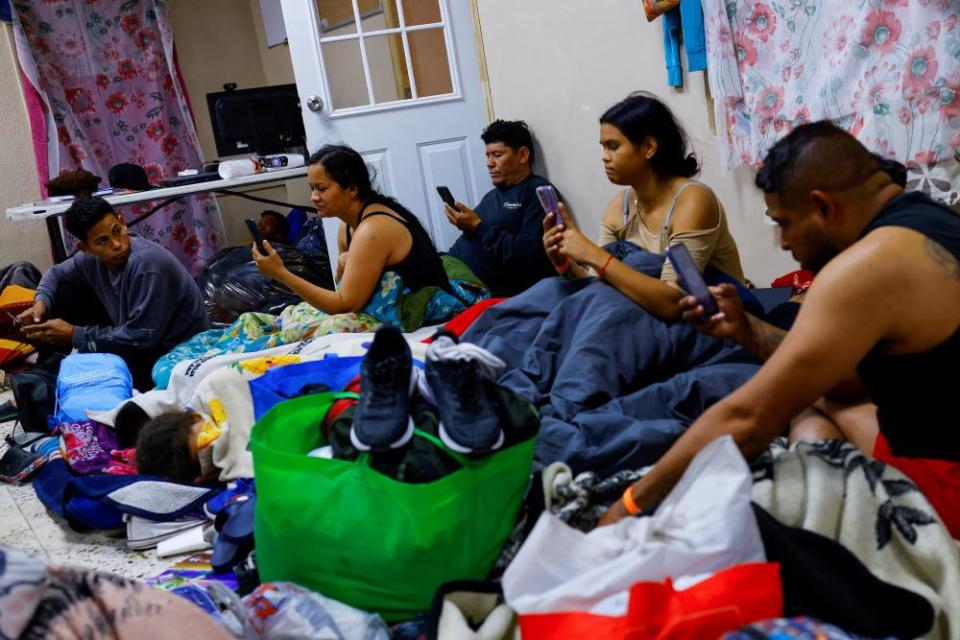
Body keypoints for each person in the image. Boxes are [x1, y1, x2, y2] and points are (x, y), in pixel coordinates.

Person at [599, 122, 960, 539]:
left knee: (801, 414)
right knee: (814, 402)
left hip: (948, 483)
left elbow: (750, 417)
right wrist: (748, 329)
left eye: (784, 223)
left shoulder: (866, 267)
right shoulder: (929, 219)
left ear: (822, 207)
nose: (785, 244)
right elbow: (848, 380)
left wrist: (628, 505)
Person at [542, 92, 747, 320]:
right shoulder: (619, 207)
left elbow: (676, 302)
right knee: (552, 297)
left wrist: (592, 253)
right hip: (648, 316)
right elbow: (597, 284)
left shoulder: (693, 201)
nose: (604, 157)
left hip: (714, 321)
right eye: (603, 147)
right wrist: (563, 263)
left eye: (613, 146)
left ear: (649, 147)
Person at [16, 196, 208, 390]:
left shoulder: (148, 264)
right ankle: (44, 381)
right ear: (86, 248)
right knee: (65, 291)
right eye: (102, 241)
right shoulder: (90, 260)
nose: (117, 244)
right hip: (139, 345)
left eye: (117, 231)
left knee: (89, 385)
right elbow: (56, 273)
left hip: (176, 356)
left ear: (122, 222)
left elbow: (142, 338)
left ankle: (45, 385)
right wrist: (41, 303)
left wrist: (74, 334)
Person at [253, 144, 450, 312]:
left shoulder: (373, 229)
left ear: (352, 189)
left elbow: (345, 305)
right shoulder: (346, 227)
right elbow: (343, 288)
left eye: (322, 189)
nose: (314, 197)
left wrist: (281, 273)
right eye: (312, 188)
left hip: (416, 311)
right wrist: (341, 263)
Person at [445, 120, 558, 297]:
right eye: (488, 156)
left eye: (497, 155)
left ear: (522, 155)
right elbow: (468, 241)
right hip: (451, 270)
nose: (489, 163)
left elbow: (528, 254)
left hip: (475, 289)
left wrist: (478, 227)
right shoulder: (491, 196)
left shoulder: (538, 192)